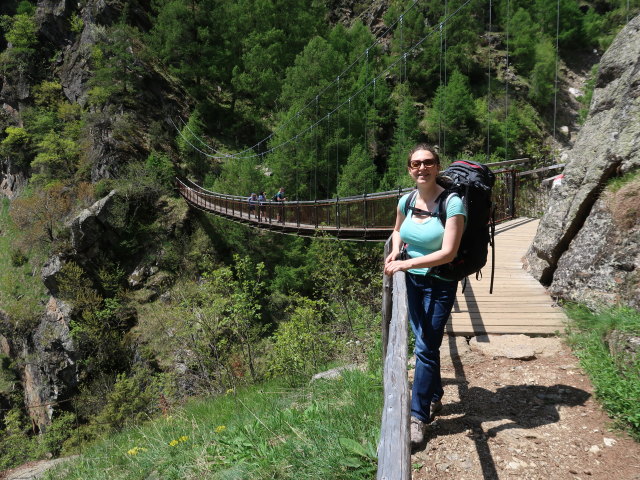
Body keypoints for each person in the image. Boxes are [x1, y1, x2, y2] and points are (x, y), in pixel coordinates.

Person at [383, 144, 466, 448]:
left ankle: (418, 417)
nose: (422, 168)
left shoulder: (453, 203)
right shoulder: (406, 200)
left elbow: (449, 252)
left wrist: (406, 263)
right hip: (412, 283)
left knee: (424, 347)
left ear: (437, 166)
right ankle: (433, 395)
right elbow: (397, 230)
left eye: (428, 163)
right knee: (425, 342)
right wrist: (395, 252)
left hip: (440, 283)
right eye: (416, 164)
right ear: (409, 169)